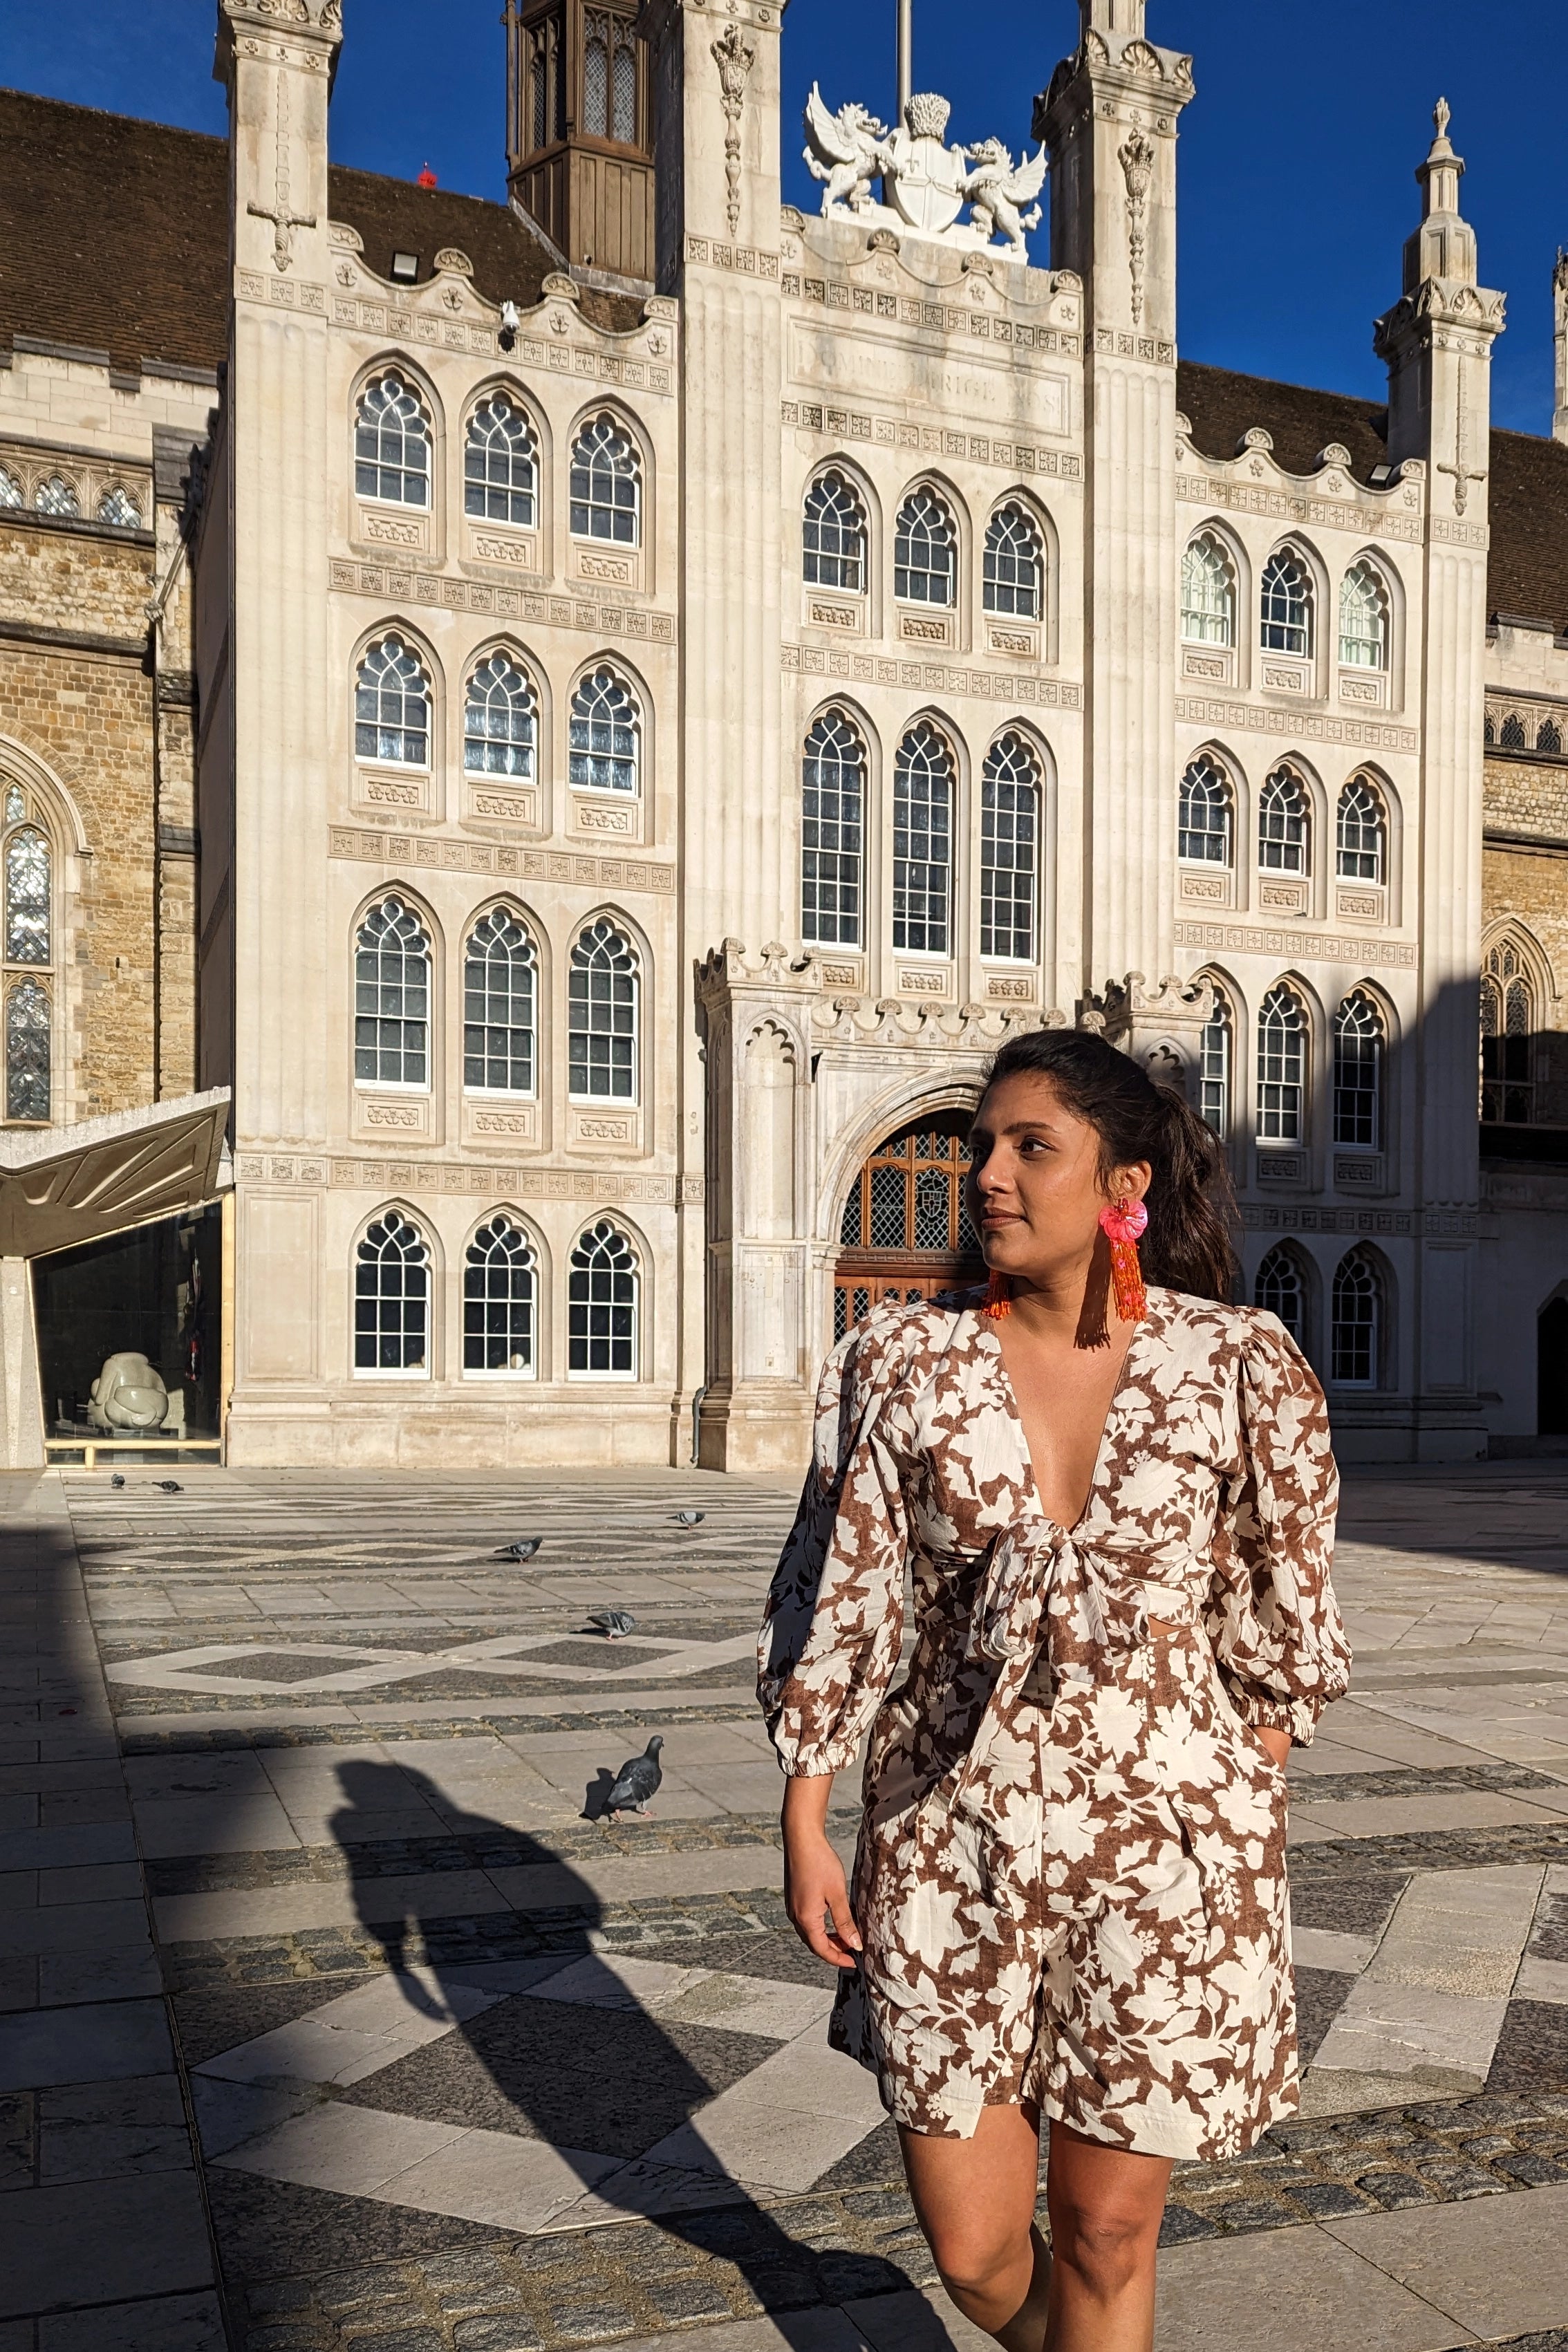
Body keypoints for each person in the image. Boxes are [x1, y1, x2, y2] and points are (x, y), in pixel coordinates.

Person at [758, 1031, 1350, 2352]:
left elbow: (1284, 1608)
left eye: (1032, 1146)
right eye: (981, 1145)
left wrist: (1241, 1784)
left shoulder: (1236, 1364)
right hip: (946, 1844)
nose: (989, 1173)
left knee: (1103, 2235)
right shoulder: (899, 1364)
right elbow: (841, 1594)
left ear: (1121, 1183)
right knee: (974, 2252)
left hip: (1169, 1863)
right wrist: (807, 1812)